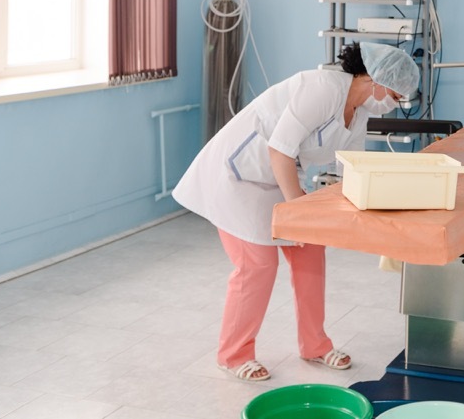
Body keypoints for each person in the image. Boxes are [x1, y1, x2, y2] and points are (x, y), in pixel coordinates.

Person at [173, 42, 419, 382]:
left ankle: (314, 345)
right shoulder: (321, 88)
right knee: (257, 265)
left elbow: (355, 169)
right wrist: (298, 208)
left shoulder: (359, 112)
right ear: (374, 78)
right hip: (236, 176)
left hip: (279, 177)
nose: (394, 103)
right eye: (394, 94)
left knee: (310, 249)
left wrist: (370, 214)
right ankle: (233, 354)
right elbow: (279, 150)